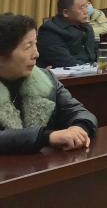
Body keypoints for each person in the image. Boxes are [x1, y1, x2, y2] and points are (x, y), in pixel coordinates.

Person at [0, 13, 98, 154]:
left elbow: (79, 112)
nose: (36, 54)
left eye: (35, 43)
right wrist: (46, 137)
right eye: (28, 47)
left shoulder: (45, 79)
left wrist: (79, 128)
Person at [36, 0, 98, 68]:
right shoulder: (50, 30)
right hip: (66, 74)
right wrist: (92, 69)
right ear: (66, 13)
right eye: (82, 8)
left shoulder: (87, 27)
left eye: (87, 6)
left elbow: (95, 52)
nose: (86, 11)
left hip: (91, 71)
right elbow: (65, 62)